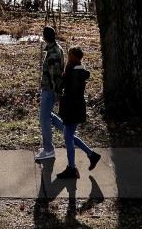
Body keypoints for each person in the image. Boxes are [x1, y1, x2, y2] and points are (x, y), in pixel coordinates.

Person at [55, 46, 101, 179]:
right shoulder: (75, 70)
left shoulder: (74, 73)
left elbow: (72, 91)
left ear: (73, 57)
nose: (67, 57)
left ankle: (72, 168)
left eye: (69, 54)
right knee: (70, 136)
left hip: (73, 109)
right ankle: (92, 155)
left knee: (68, 138)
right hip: (75, 108)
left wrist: (63, 81)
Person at [35, 26, 65, 161]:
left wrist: (56, 94)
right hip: (49, 90)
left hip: (50, 91)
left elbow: (55, 76)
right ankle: (67, 131)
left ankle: (49, 150)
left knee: (44, 119)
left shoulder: (53, 54)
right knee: (47, 116)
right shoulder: (57, 48)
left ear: (45, 37)